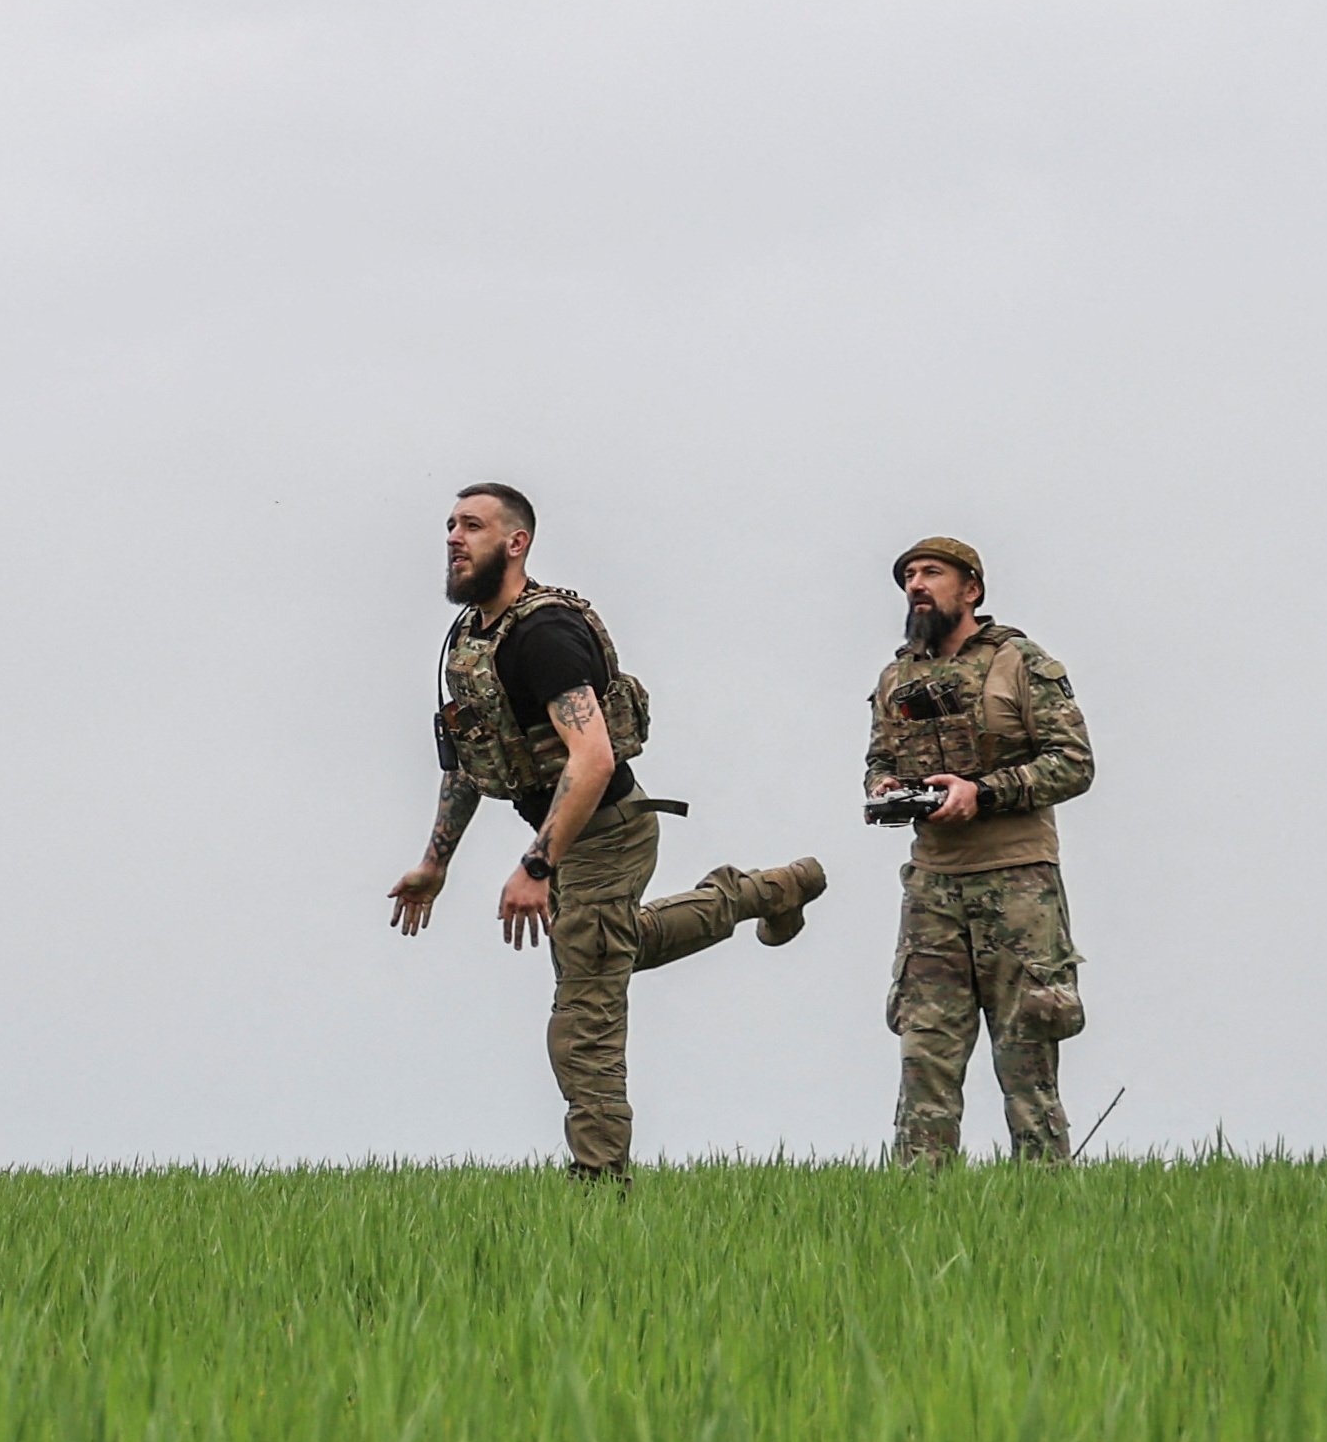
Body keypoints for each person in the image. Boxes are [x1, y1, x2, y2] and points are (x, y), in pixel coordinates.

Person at [390, 483, 827, 1180]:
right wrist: (435, 864)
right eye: (448, 524)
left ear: (516, 542)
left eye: (470, 525)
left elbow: (592, 758)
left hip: (606, 830)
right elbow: (472, 761)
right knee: (616, 949)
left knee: (582, 1026)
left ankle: (601, 1189)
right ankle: (766, 891)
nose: (452, 537)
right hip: (570, 836)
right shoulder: (470, 639)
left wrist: (536, 865)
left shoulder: (544, 637)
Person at [866, 538, 1095, 1164]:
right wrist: (886, 788)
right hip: (933, 889)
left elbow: (1074, 764)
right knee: (924, 1055)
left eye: (932, 573)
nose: (917, 584)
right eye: (908, 575)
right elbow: (878, 758)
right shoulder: (897, 676)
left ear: (971, 589)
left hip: (1018, 884)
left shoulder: (1021, 662)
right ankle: (921, 1206)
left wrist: (983, 793)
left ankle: (1045, 1202)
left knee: (1027, 1058)